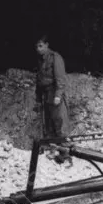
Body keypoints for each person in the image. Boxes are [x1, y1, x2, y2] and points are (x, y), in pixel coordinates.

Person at [35, 36, 71, 164]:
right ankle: (52, 150)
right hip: (46, 95)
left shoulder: (55, 57)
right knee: (48, 124)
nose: (38, 49)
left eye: (41, 46)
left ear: (46, 45)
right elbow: (39, 79)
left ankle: (65, 154)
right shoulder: (40, 60)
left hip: (55, 93)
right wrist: (38, 97)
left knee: (60, 122)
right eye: (37, 46)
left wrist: (58, 95)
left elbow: (60, 77)